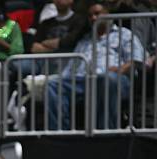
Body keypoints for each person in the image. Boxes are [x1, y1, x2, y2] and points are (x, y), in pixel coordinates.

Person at [47, 2, 145, 130]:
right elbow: (70, 68)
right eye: (90, 16)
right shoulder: (84, 41)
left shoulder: (124, 34)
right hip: (83, 81)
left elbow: (137, 59)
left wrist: (121, 69)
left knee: (106, 79)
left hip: (115, 79)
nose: (93, 18)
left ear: (108, 14)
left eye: (97, 14)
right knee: (53, 85)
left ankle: (105, 133)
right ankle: (60, 133)